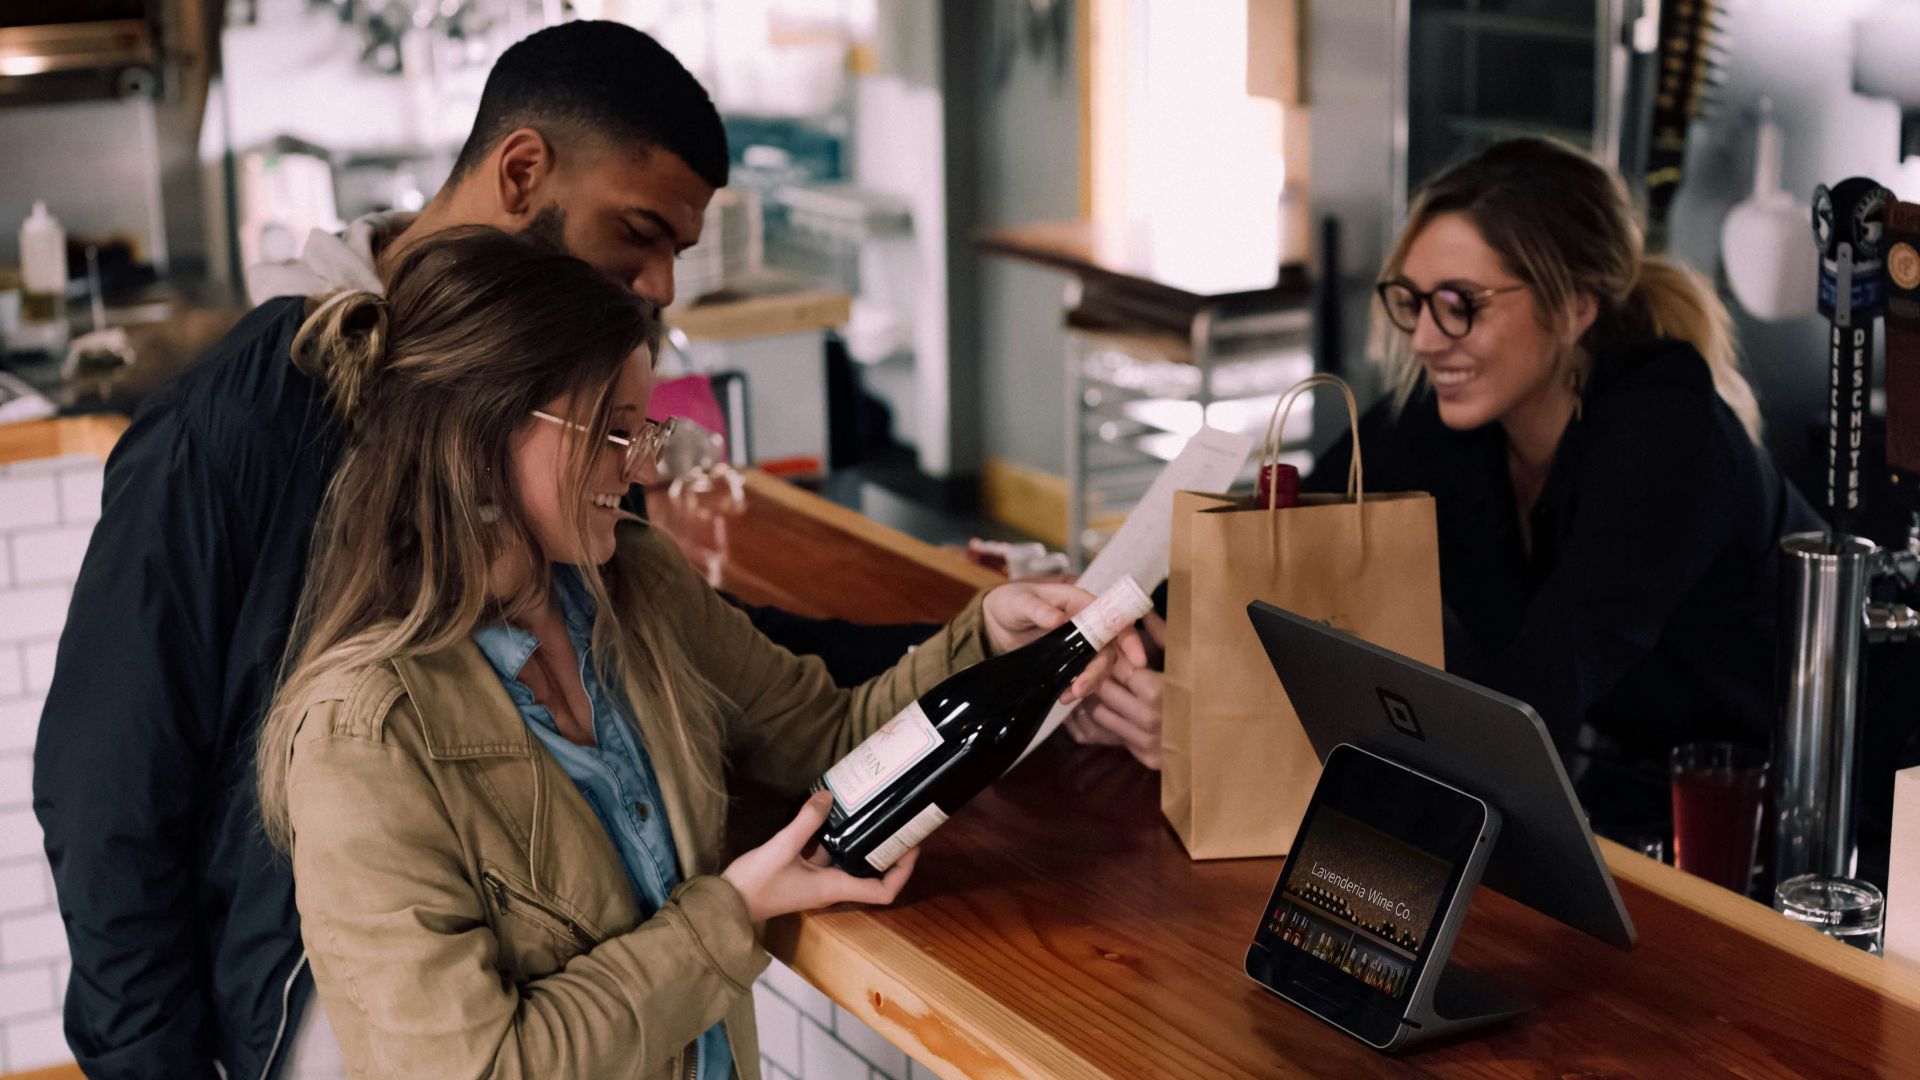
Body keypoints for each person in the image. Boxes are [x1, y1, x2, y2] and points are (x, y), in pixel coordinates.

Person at [31, 21, 1117, 1079]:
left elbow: (750, 682)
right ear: (520, 173)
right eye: (640, 232)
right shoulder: (248, 443)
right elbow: (109, 795)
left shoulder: (596, 559)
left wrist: (991, 645)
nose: (658, 285)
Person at [260, 226, 1136, 1078]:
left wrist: (987, 641)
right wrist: (729, 917)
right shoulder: (361, 740)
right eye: (611, 432)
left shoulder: (634, 585)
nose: (639, 468)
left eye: (643, 431)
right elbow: (484, 1065)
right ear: (479, 435)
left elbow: (827, 733)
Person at [1305, 137, 1821, 823]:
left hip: (1826, 801)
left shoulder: (1664, 431)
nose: (1426, 338)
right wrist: (1137, 643)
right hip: (1664, 784)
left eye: (1462, 303)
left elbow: (1529, 705)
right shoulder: (1451, 414)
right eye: (1414, 301)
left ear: (1574, 308)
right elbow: (1281, 522)